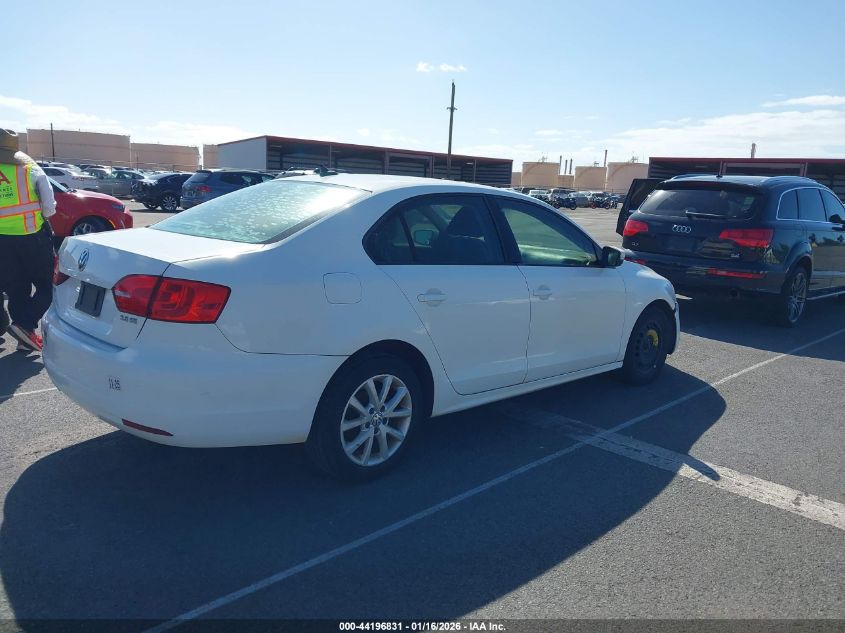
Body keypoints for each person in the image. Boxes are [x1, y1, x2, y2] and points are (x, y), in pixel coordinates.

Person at [0, 129, 57, 352]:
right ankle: (26, 324)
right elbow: (49, 208)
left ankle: (25, 338)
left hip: (2, 241)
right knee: (48, 286)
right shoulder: (30, 167)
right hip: (32, 236)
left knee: (17, 289)